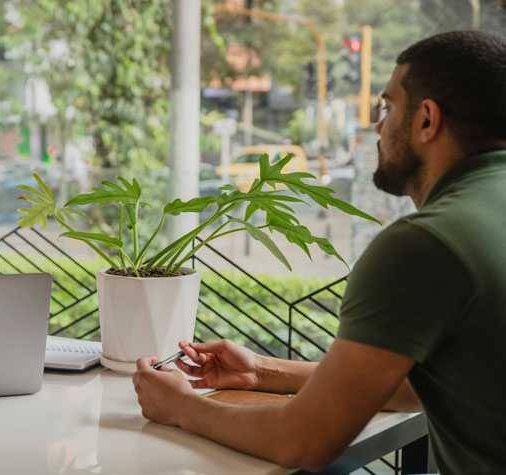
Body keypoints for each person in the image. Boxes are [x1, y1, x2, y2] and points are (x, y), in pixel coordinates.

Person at [133, 30, 506, 474]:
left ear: (427, 120)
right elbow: (413, 385)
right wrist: (263, 373)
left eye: (387, 108)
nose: (378, 126)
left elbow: (304, 441)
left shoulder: (428, 243)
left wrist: (181, 407)